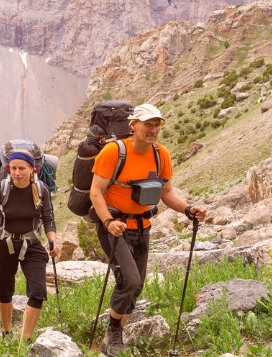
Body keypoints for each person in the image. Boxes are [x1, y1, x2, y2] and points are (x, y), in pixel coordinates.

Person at [89, 103, 207, 356]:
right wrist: (110, 222)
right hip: (114, 227)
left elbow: (166, 192)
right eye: (148, 125)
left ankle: (113, 337)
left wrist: (188, 209)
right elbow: (96, 192)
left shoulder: (160, 154)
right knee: (129, 280)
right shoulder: (113, 152)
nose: (153, 130)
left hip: (142, 226)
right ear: (133, 126)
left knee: (137, 284)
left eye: (157, 125)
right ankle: (114, 333)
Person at [0, 150, 59, 342]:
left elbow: (49, 219)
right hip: (3, 244)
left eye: (21, 168)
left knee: (38, 292)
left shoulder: (41, 190)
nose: (16, 172)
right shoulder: (1, 188)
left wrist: (53, 240)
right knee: (4, 292)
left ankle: (25, 340)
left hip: (31, 244)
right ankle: (6, 332)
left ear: (32, 169)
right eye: (13, 168)